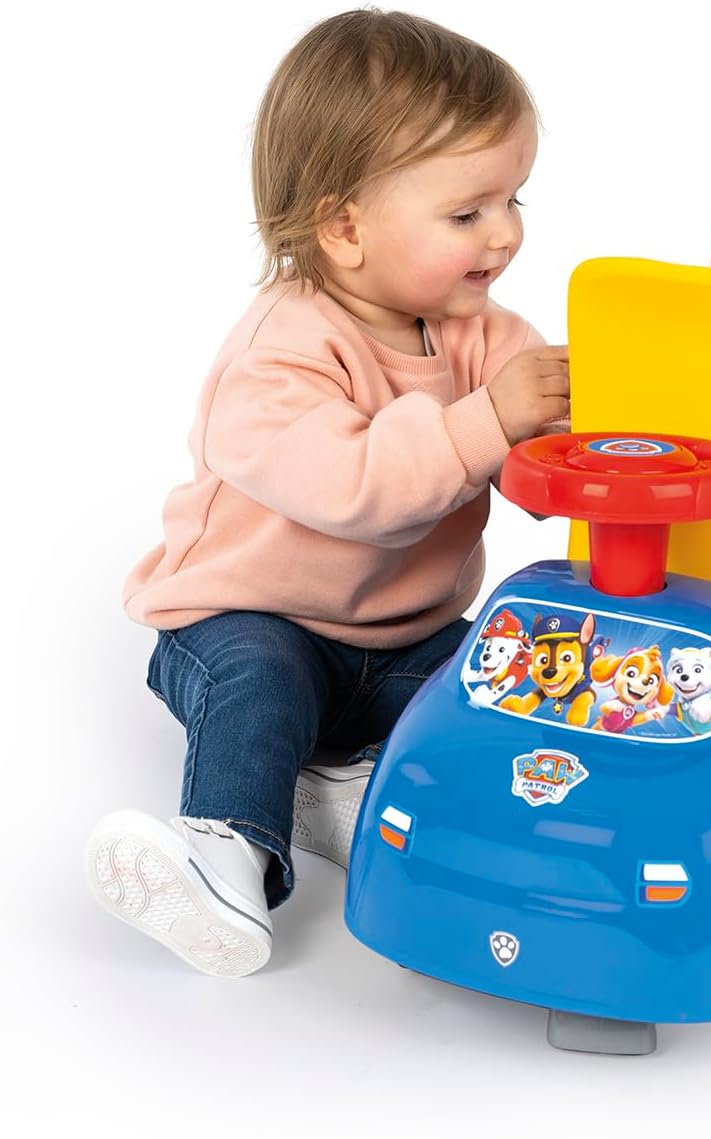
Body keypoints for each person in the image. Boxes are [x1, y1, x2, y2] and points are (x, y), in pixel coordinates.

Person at [85, 8, 569, 979]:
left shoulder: (478, 329)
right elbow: (359, 489)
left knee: (494, 675)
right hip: (242, 616)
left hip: (400, 634)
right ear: (345, 227)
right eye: (468, 212)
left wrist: (571, 439)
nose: (506, 234)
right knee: (263, 683)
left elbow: (538, 465)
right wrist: (490, 421)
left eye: (517, 199)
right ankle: (229, 854)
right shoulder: (279, 355)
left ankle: (349, 785)